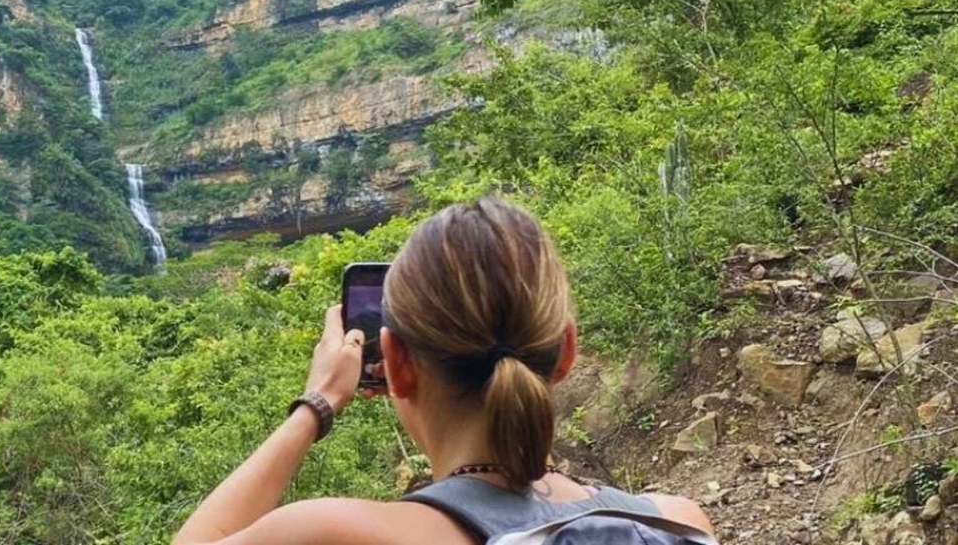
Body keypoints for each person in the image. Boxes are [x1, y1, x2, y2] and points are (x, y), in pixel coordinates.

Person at [172, 197, 717, 545]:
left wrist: (316, 405)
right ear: (566, 352)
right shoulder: (679, 524)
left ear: (396, 364)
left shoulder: (338, 534)